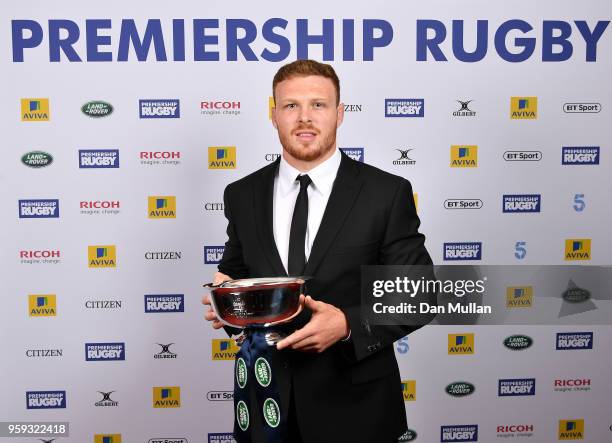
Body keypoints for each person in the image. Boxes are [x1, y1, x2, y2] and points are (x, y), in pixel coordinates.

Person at [203, 59, 432, 443]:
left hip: (358, 411)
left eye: (318, 105)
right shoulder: (241, 194)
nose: (304, 118)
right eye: (291, 106)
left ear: (340, 114)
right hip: (267, 405)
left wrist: (347, 324)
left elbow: (419, 293)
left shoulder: (386, 193)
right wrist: (228, 303)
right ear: (273, 115)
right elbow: (237, 270)